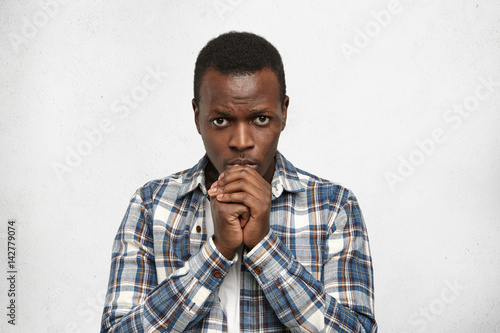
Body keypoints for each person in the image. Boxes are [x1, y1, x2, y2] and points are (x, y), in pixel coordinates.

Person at [100, 31, 377, 332]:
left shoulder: (334, 207)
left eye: (260, 119)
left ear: (283, 112)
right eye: (221, 120)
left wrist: (264, 246)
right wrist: (216, 252)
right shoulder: (151, 205)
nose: (241, 142)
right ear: (197, 116)